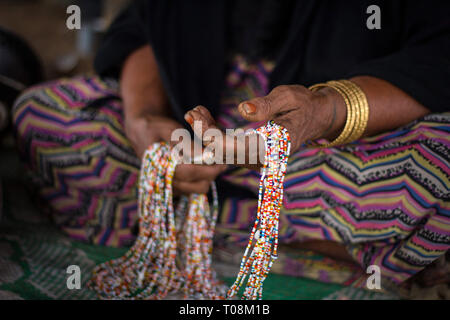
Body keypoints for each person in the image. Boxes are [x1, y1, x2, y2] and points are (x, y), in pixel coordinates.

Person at [12, 0, 450, 287]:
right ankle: (299, 234)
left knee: (437, 161)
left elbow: (439, 52)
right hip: (187, 131)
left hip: (323, 147)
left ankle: (196, 221)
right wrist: (144, 120)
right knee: (42, 115)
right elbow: (143, 23)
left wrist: (329, 109)